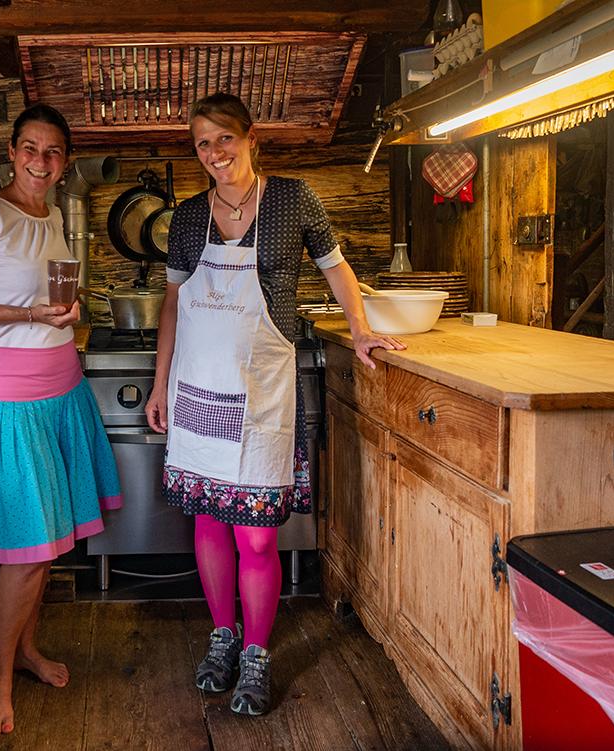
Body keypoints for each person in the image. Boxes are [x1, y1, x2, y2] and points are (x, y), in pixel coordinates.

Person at [144, 92, 406, 716]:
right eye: (203, 143)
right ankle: (223, 636)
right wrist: (159, 384)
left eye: (224, 139)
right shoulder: (186, 218)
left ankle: (257, 655)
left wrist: (361, 328)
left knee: (257, 538)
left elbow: (337, 269)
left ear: (251, 137)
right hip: (197, 390)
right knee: (208, 521)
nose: (214, 153)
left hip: (261, 390)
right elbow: (174, 304)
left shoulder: (291, 199)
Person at [0, 104, 122, 734]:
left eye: (53, 153)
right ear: (12, 152)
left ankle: (28, 652)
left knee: (48, 544)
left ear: (63, 162)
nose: (40, 162)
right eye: (30, 149)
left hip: (60, 390)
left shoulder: (50, 220)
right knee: (27, 550)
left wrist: (60, 317)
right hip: (9, 399)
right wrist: (29, 317)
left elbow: (44, 302)